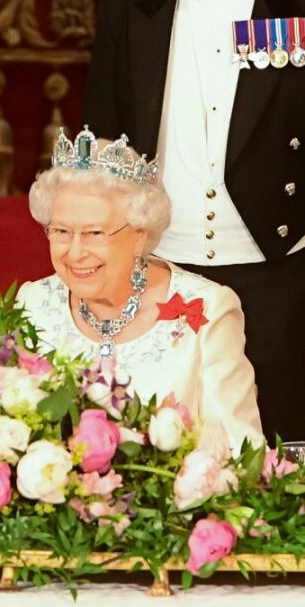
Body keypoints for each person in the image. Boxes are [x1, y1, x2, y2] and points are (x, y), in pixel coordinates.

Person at [82, 0, 305, 442]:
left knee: (280, 440)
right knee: (163, 438)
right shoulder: (130, 9)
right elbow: (103, 133)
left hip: (277, 268)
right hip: (162, 268)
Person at [16, 128, 264, 452]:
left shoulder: (210, 311)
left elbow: (241, 454)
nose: (75, 253)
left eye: (94, 233)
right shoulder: (32, 303)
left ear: (139, 235)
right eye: (61, 231)